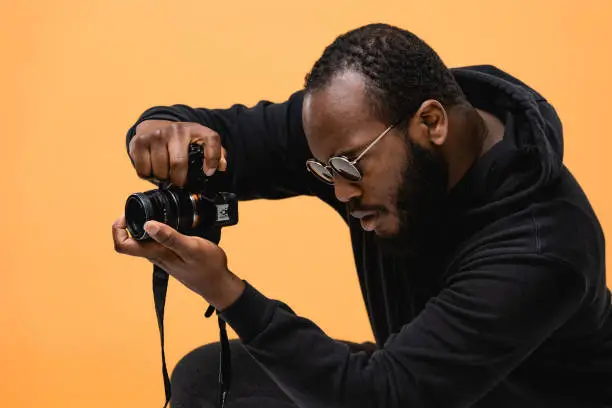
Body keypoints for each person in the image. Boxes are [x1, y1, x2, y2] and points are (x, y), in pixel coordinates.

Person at [112, 23, 612, 408]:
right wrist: (159, 131)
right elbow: (223, 138)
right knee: (208, 381)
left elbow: (383, 398)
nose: (339, 189)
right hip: (411, 382)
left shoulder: (544, 247)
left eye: (349, 166)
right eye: (323, 168)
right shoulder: (364, 131)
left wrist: (225, 292)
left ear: (431, 123)